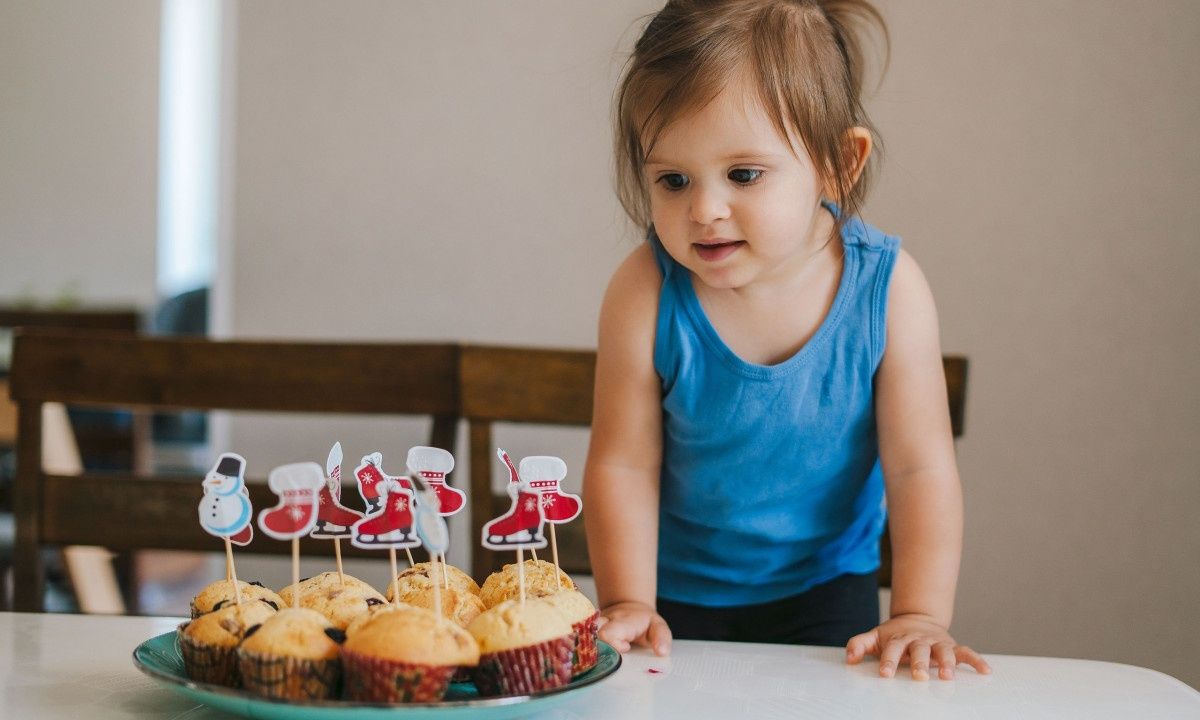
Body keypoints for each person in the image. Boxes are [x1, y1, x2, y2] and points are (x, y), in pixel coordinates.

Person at [582, 0, 991, 681]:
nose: (704, 209)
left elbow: (920, 468)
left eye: (743, 175)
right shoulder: (644, 290)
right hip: (674, 594)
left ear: (838, 163)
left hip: (828, 593)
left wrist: (920, 614)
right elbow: (622, 464)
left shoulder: (889, 291)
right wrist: (629, 597)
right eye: (672, 179)